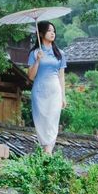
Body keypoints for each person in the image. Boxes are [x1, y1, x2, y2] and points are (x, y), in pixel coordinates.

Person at [27, 21, 67, 154]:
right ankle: (46, 151)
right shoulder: (34, 53)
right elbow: (31, 77)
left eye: (54, 31)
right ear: (41, 33)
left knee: (52, 120)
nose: (52, 33)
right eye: (49, 31)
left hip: (55, 91)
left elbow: (61, 76)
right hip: (39, 91)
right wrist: (38, 60)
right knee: (41, 121)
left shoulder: (59, 53)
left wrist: (63, 96)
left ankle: (48, 152)